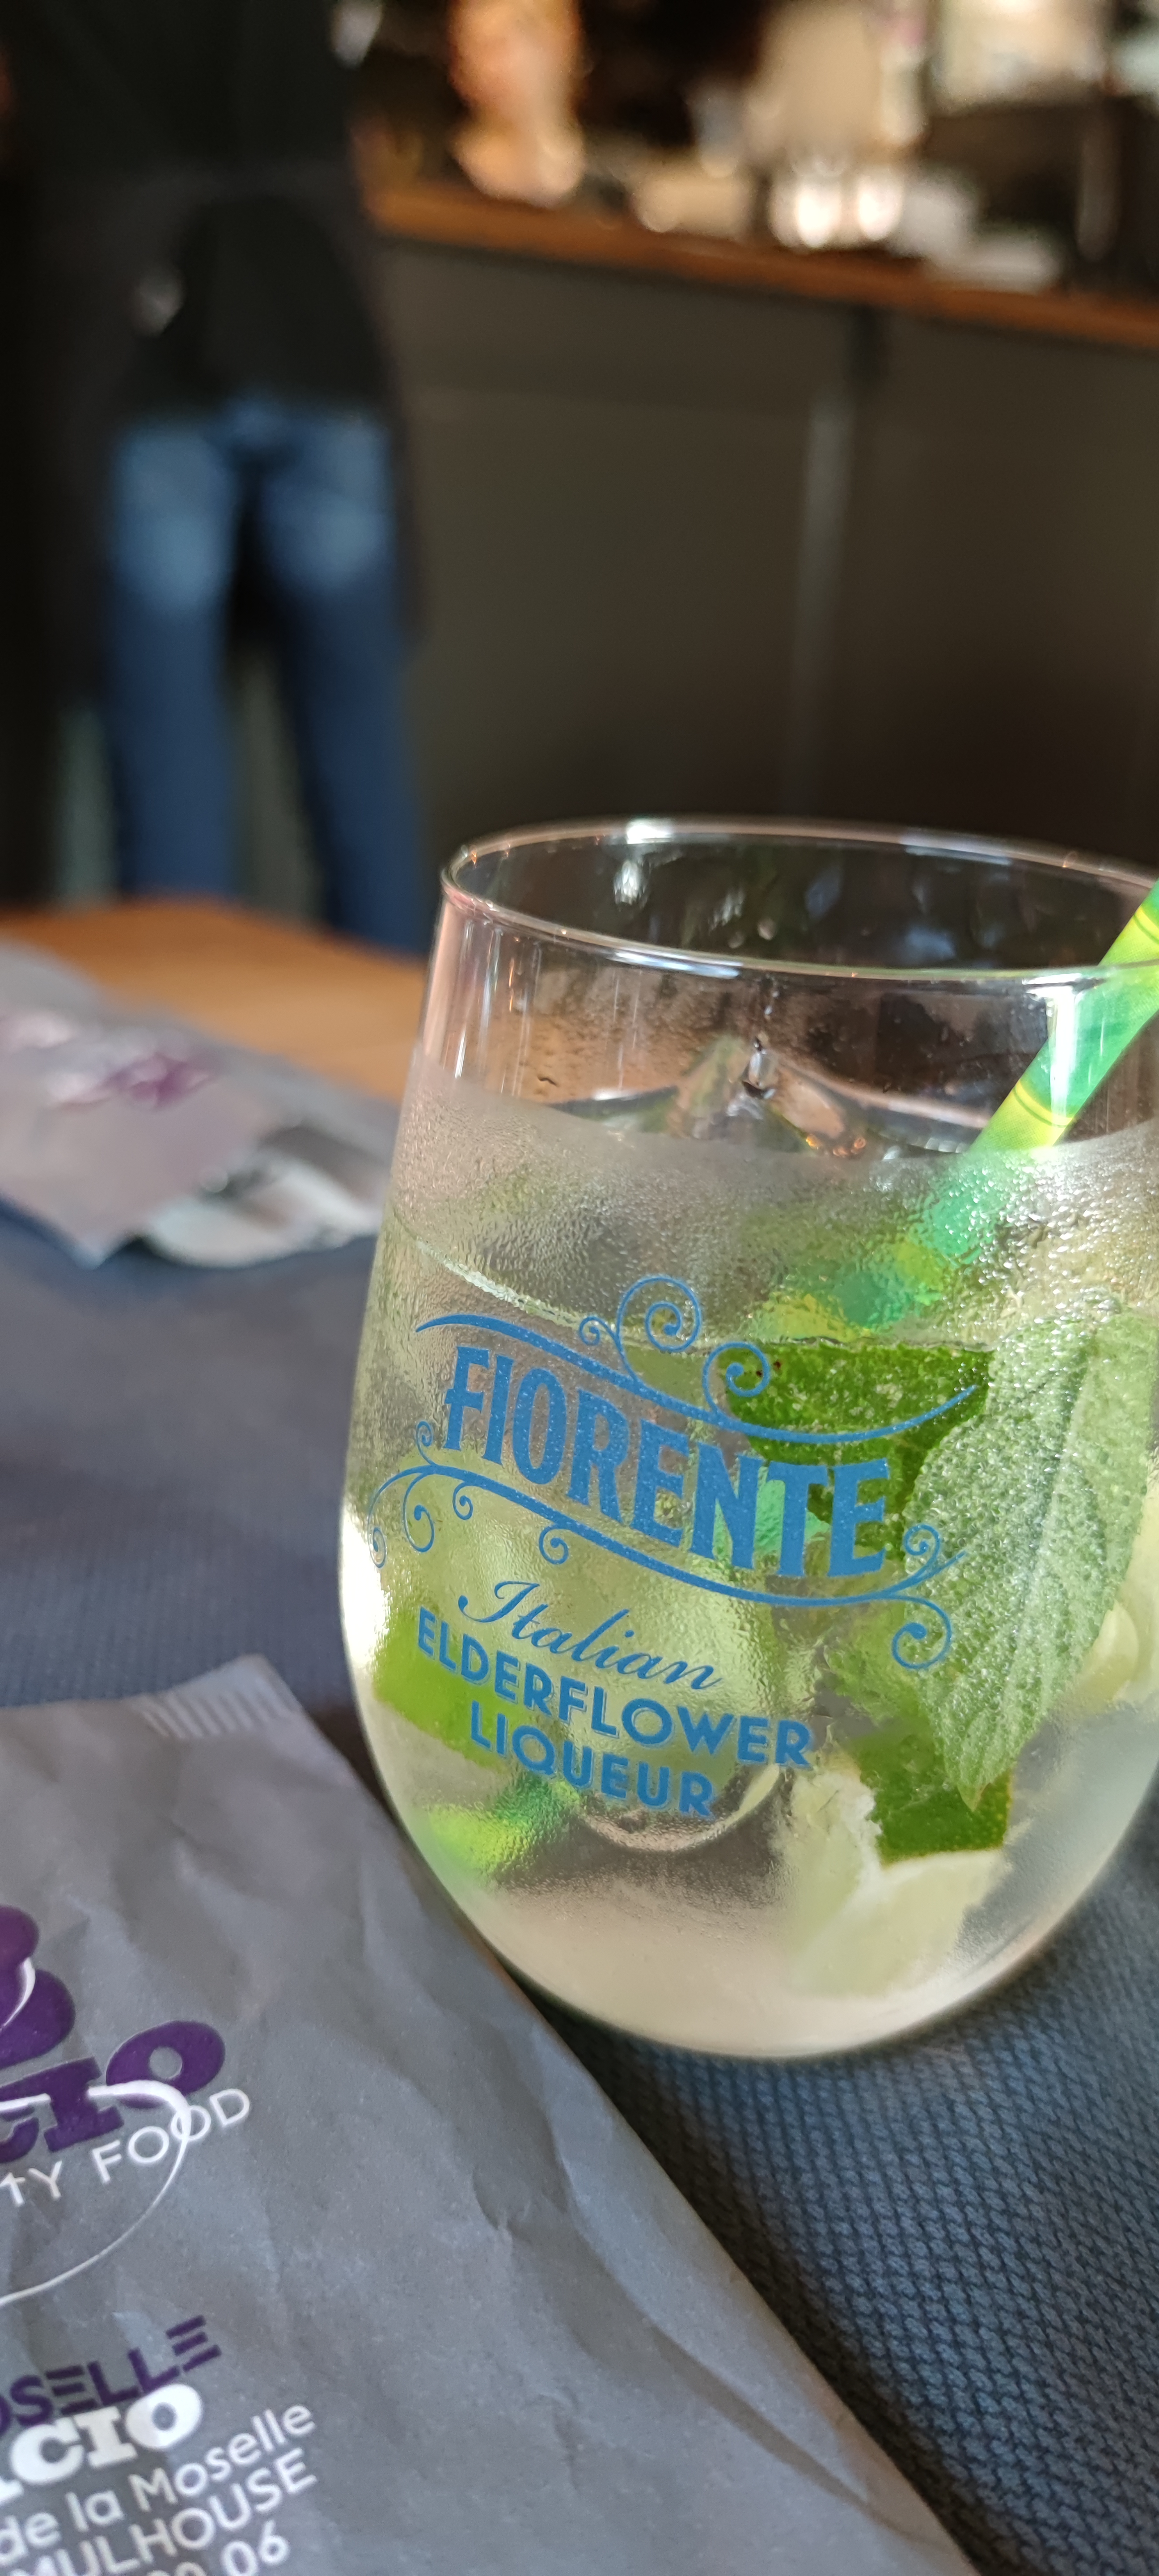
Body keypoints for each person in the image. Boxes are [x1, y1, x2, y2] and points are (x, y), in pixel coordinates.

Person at [0, 0, 428, 951]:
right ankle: (401, 1031)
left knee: (170, 762)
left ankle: (187, 1033)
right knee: (358, 754)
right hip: (310, 319)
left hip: (142, 335)